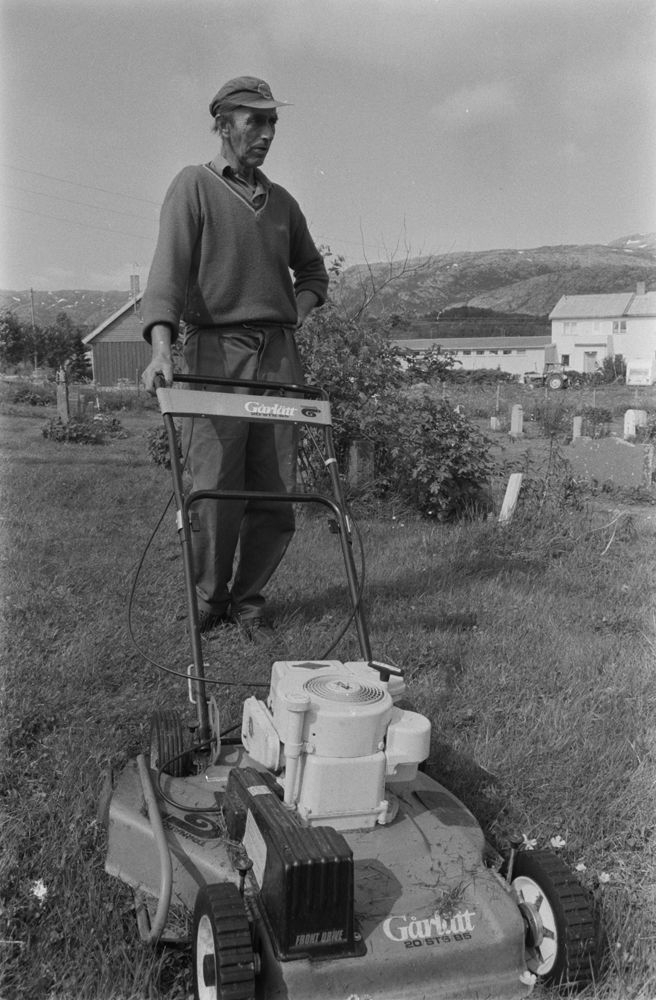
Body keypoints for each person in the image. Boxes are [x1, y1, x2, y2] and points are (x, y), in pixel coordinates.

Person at [141, 76, 329, 638]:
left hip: (278, 360)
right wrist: (160, 350)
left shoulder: (283, 203)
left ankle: (249, 603)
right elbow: (167, 276)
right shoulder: (193, 187)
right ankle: (208, 598)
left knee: (273, 489)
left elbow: (314, 274)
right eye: (255, 121)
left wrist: (294, 311)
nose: (267, 134)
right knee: (216, 486)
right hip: (214, 353)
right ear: (223, 124)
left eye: (273, 123)